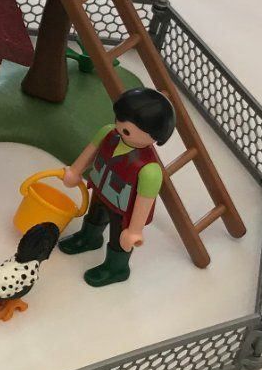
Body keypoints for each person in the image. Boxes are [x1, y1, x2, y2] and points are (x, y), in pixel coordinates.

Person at [58, 86, 176, 286]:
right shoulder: (108, 133)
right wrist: (75, 171)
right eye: (120, 119)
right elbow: (91, 152)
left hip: (123, 210)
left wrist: (134, 230)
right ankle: (89, 238)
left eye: (130, 127)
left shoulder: (150, 170)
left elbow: (144, 202)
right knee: (95, 214)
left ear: (155, 136)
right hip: (101, 191)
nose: (121, 127)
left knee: (119, 237)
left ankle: (117, 268)